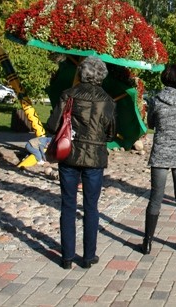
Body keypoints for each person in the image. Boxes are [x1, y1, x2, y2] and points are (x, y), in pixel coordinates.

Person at [46, 56, 116, 270]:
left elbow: (52, 125)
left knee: (68, 204)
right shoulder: (108, 101)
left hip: (69, 153)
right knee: (91, 206)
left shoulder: (68, 95)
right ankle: (88, 256)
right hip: (95, 157)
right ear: (101, 76)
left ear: (81, 73)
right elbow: (112, 133)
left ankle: (67, 257)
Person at [142, 64, 176, 254]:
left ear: (164, 77)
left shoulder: (156, 100)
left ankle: (147, 242)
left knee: (155, 197)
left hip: (160, 153)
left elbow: (151, 124)